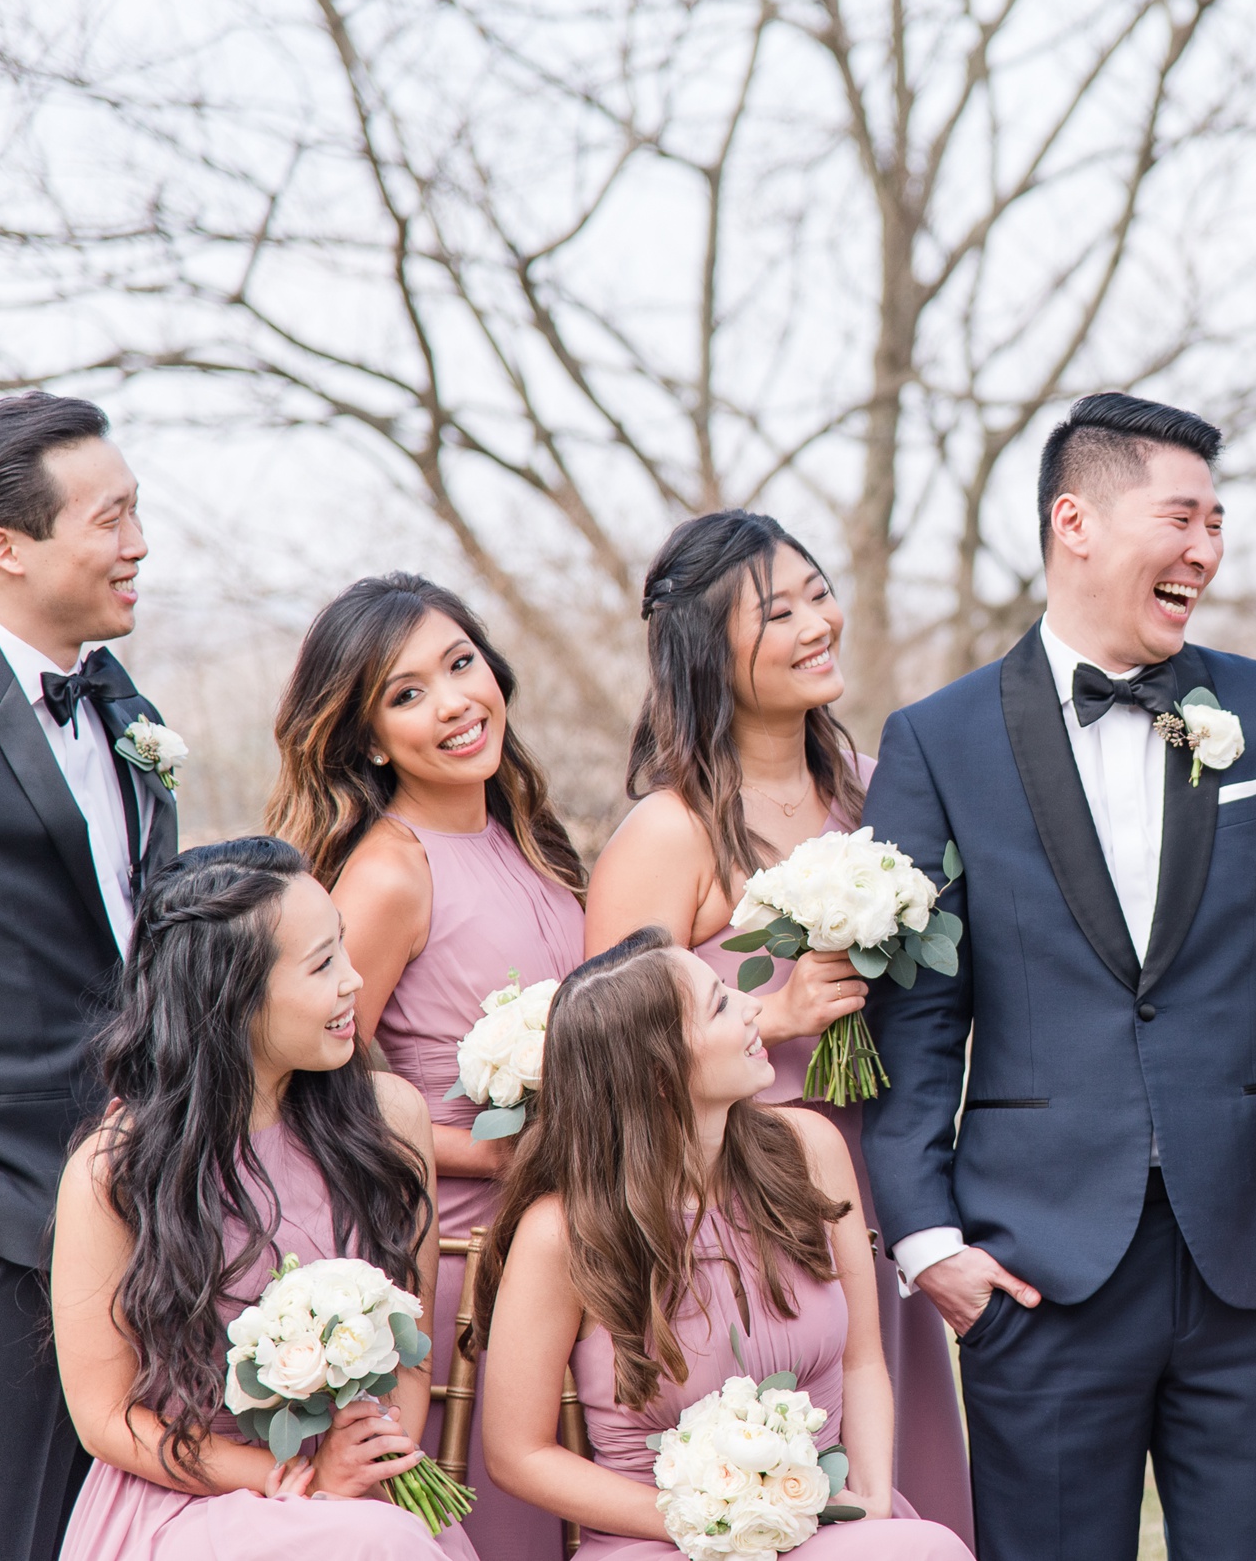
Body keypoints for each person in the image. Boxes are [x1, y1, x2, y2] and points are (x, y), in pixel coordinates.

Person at [858, 392, 1256, 1559]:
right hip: (1032, 1270)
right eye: (1182, 518)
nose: (1205, 550)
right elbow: (913, 1022)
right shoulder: (936, 740)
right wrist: (928, 1241)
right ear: (1077, 521)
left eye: (1217, 523)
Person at [583, 509, 970, 1542]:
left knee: (887, 1480)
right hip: (729, 1208)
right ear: (708, 649)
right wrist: (782, 1009)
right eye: (778, 611)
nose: (817, 623)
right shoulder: (669, 831)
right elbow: (603, 1055)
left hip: (873, 1186)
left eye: (817, 593)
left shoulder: (880, 798)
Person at [267, 572, 587, 1561]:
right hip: (462, 1271)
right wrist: (498, 1157)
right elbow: (323, 1097)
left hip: (575, 1251)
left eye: (460, 664)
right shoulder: (388, 873)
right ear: (364, 737)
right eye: (405, 693)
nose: (452, 701)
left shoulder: (531, 835)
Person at [474, 930, 972, 1561]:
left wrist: (869, 1496)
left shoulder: (812, 1149)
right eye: (719, 1005)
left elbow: (862, 1360)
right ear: (657, 1074)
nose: (753, 1006)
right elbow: (518, 1454)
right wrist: (716, 1520)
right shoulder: (562, 1232)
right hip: (662, 1540)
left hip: (828, 1526)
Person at [52, 837, 473, 1559]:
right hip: (187, 1498)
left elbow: (408, 1355)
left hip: (358, 1495)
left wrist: (360, 1462)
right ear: (231, 996)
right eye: (322, 965)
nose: (354, 981)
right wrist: (298, 1476)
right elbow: (105, 1417)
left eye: (343, 947)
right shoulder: (113, 1168)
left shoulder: (392, 1119)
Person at [0, 391, 178, 1560]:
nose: (138, 545)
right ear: (10, 546)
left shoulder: (131, 709)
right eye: (113, 517)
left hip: (150, 1197)